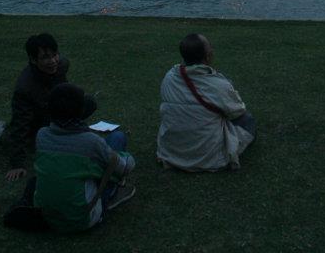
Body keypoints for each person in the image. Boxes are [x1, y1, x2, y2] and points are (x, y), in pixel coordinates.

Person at [16, 83, 136, 233]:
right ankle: (110, 196)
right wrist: (126, 157)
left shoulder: (42, 135)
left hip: (47, 216)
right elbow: (125, 167)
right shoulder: (91, 141)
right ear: (81, 111)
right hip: (82, 219)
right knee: (118, 137)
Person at [157, 33, 255, 172]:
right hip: (208, 156)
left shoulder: (169, 77)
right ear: (207, 56)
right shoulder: (217, 85)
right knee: (248, 120)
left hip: (172, 152)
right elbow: (238, 111)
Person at [4, 33, 94, 182]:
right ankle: (65, 132)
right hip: (42, 123)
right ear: (33, 60)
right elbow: (20, 124)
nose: (52, 61)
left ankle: (70, 128)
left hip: (57, 111)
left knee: (89, 102)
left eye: (55, 55)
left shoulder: (61, 66)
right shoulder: (25, 87)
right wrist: (17, 164)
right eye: (45, 57)